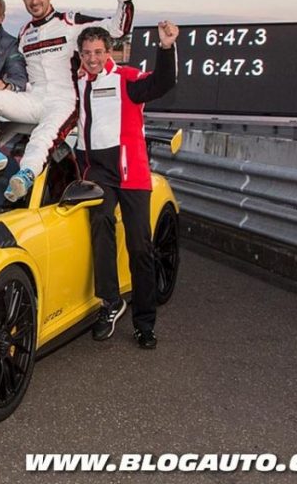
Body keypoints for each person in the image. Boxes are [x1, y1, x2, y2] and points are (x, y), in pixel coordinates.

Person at [0, 0, 135, 202]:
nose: (35, 1)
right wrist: (2, 84)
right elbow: (17, 73)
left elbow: (117, 29)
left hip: (64, 100)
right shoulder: (24, 33)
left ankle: (26, 174)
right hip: (33, 98)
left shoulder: (70, 21)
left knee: (43, 136)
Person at [75, 22, 179, 349]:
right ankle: (110, 301)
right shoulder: (74, 82)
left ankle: (144, 323)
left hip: (131, 170)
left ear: (109, 52)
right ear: (80, 54)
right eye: (87, 53)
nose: (92, 59)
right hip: (97, 171)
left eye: (98, 52)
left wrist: (166, 48)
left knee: (139, 246)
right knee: (101, 221)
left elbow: (163, 83)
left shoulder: (127, 79)